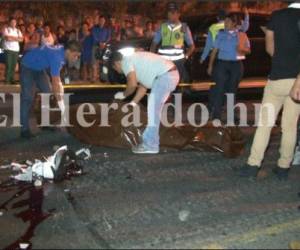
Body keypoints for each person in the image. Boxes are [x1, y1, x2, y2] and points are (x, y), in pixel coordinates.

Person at [240, 1, 300, 180]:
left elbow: (269, 48)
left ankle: (253, 165)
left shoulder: (277, 16)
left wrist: (282, 57)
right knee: (289, 127)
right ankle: (283, 167)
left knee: (265, 125)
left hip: (277, 78)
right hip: (297, 82)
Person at [112, 51, 179, 154]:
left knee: (153, 112)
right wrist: (133, 103)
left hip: (164, 76)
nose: (117, 71)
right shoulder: (136, 62)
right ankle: (151, 142)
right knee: (154, 111)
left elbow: (132, 84)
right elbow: (143, 87)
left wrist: (123, 95)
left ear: (117, 63)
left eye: (115, 69)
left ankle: (150, 145)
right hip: (170, 74)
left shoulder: (126, 61)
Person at [20, 41, 81, 139]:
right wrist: (61, 104)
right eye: (75, 56)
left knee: (48, 94)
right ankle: (24, 130)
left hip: (39, 69)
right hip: (27, 66)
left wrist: (60, 94)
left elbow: (58, 82)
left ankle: (44, 123)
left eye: (78, 56)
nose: (76, 59)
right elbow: (55, 82)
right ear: (69, 51)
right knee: (27, 98)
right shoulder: (57, 57)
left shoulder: (62, 52)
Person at [206, 13, 250, 122]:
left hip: (236, 65)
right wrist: (210, 66)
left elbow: (248, 50)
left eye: (228, 21)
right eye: (225, 21)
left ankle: (232, 116)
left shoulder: (241, 35)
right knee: (219, 90)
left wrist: (241, 49)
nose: (225, 24)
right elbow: (214, 51)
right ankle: (216, 116)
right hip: (222, 64)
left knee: (232, 91)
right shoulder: (221, 35)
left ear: (234, 23)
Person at [150, 2, 195, 83]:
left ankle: (177, 95)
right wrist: (152, 59)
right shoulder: (162, 27)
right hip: (164, 63)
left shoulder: (184, 27)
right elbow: (154, 44)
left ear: (178, 14)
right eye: (169, 12)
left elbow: (192, 46)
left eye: (173, 13)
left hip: (178, 63)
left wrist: (185, 57)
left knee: (177, 85)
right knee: (164, 84)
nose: (170, 15)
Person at [3, 17, 23, 84]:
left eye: (14, 22)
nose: (13, 23)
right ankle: (7, 80)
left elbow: (21, 39)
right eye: (12, 22)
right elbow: (7, 38)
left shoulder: (18, 30)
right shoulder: (6, 29)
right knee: (9, 65)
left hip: (16, 50)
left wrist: (12, 38)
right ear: (9, 22)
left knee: (14, 65)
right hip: (8, 50)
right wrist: (17, 38)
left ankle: (12, 79)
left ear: (16, 23)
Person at [91, 15, 111, 82]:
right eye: (100, 20)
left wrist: (104, 43)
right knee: (94, 62)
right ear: (99, 21)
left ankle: (104, 77)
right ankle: (94, 77)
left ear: (105, 21)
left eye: (103, 20)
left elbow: (108, 37)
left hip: (105, 47)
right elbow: (94, 36)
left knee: (105, 62)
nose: (102, 21)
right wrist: (99, 42)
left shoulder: (107, 28)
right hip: (96, 46)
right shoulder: (94, 28)